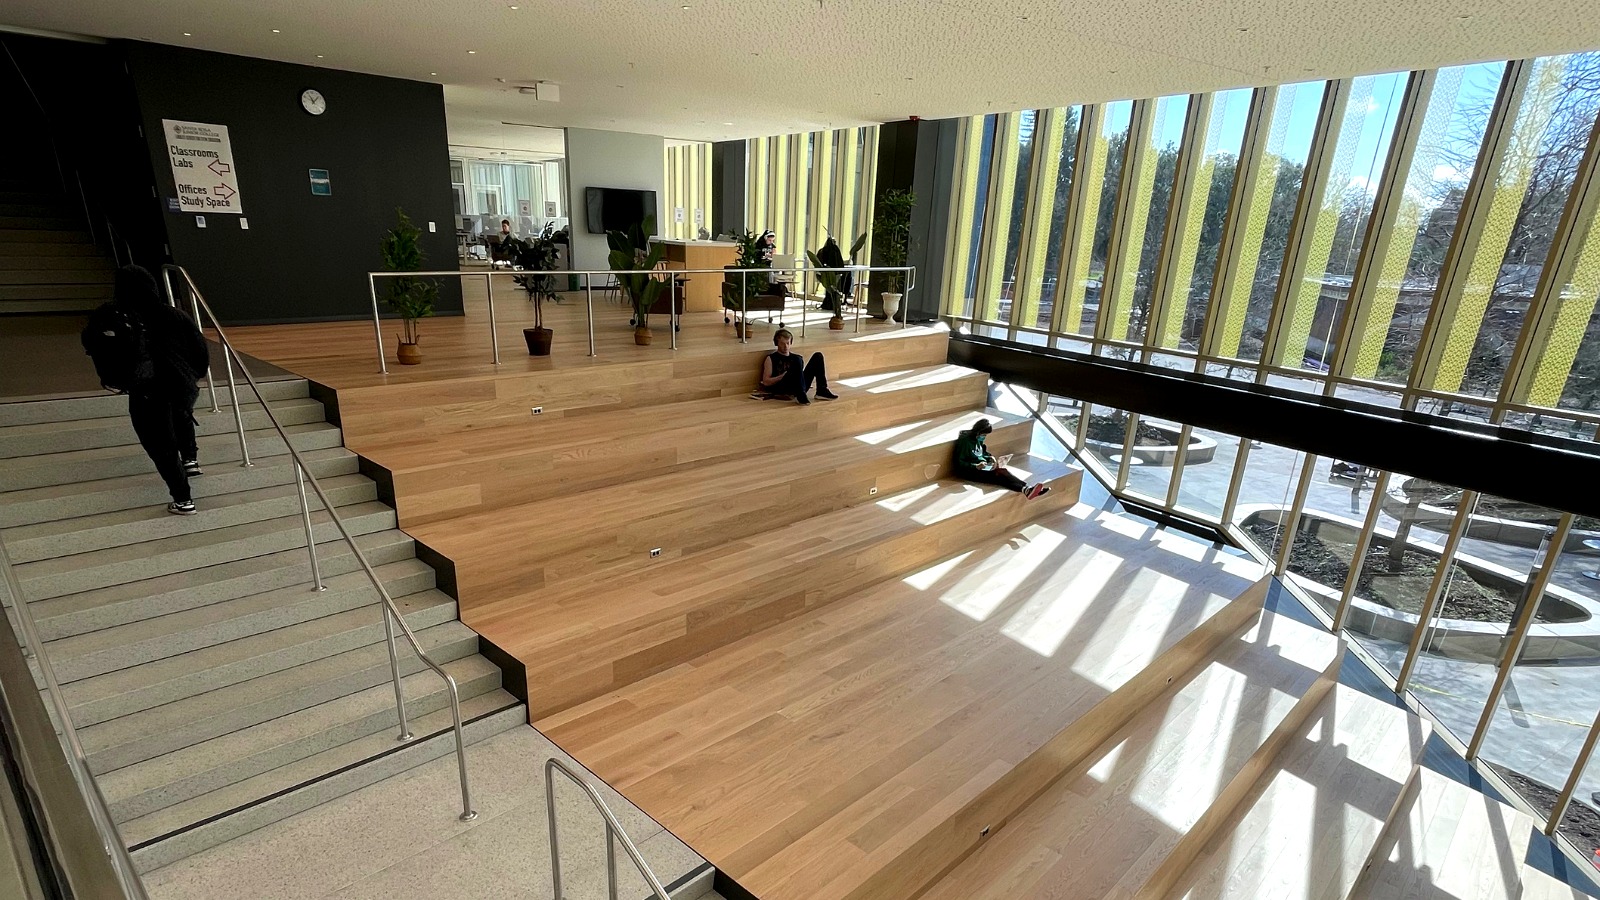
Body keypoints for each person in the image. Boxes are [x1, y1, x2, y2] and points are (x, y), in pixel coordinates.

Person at [82, 266, 210, 515]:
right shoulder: (175, 315)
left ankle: (183, 499)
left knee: (160, 445)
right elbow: (200, 352)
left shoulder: (112, 315)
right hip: (180, 385)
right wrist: (191, 375)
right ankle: (190, 460)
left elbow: (91, 343)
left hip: (145, 390)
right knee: (181, 416)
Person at [951, 418, 1050, 500]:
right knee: (999, 476)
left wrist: (990, 457)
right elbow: (960, 462)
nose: (984, 438)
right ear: (978, 432)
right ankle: (1027, 489)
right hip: (969, 471)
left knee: (1001, 472)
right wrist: (975, 466)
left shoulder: (978, 440)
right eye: (983, 435)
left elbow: (982, 452)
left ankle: (1028, 489)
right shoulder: (965, 442)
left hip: (982, 466)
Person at [752, 328, 836, 405]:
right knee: (797, 360)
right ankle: (800, 394)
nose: (786, 346)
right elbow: (766, 381)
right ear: (777, 343)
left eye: (788, 343)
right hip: (783, 387)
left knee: (818, 356)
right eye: (782, 344)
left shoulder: (796, 358)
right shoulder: (771, 358)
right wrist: (781, 377)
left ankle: (821, 390)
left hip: (799, 386)